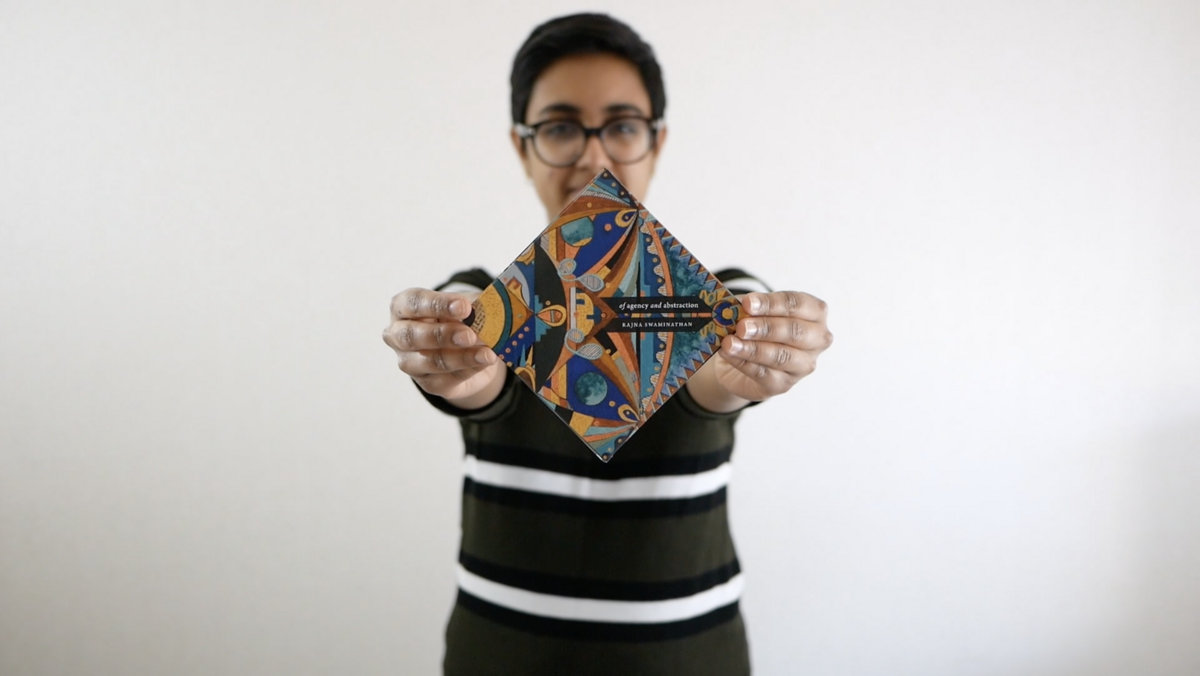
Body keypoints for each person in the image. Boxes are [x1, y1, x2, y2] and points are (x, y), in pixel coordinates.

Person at [383, 13, 832, 675]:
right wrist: (452, 358)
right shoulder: (482, 298)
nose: (594, 159)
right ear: (522, 148)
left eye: (621, 127)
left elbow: (715, 371)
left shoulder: (722, 295)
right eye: (561, 128)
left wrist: (749, 355)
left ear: (657, 142)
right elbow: (478, 372)